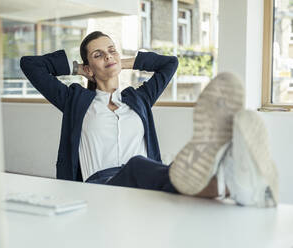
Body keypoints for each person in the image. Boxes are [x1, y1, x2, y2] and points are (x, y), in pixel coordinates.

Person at [20, 31, 278, 208]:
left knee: (168, 169)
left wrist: (124, 62)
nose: (108, 56)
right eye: (98, 55)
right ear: (88, 68)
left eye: (112, 51)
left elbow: (170, 63)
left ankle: (239, 185)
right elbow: (30, 64)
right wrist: (77, 69)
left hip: (148, 183)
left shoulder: (139, 98)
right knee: (139, 166)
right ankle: (230, 180)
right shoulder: (74, 101)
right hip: (101, 188)